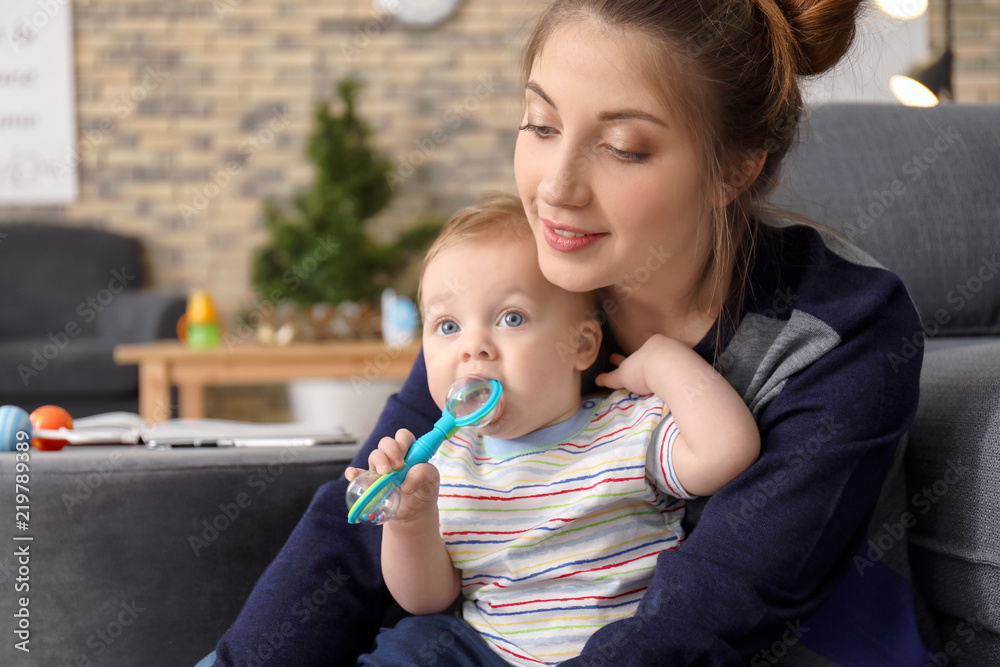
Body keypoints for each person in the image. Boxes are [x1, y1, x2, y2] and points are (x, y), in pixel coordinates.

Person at [206, 0, 929, 664]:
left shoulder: (843, 330)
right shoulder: (526, 288)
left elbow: (710, 611)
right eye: (541, 126)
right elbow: (352, 543)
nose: (556, 186)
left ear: (734, 168)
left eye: (621, 146)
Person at [345, 194, 760, 665]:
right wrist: (409, 522)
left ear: (582, 345)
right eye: (446, 326)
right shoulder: (444, 466)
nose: (473, 347)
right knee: (412, 643)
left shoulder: (626, 428)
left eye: (511, 318)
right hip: (488, 651)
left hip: (620, 650)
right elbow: (427, 599)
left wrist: (665, 363)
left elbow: (729, 450)